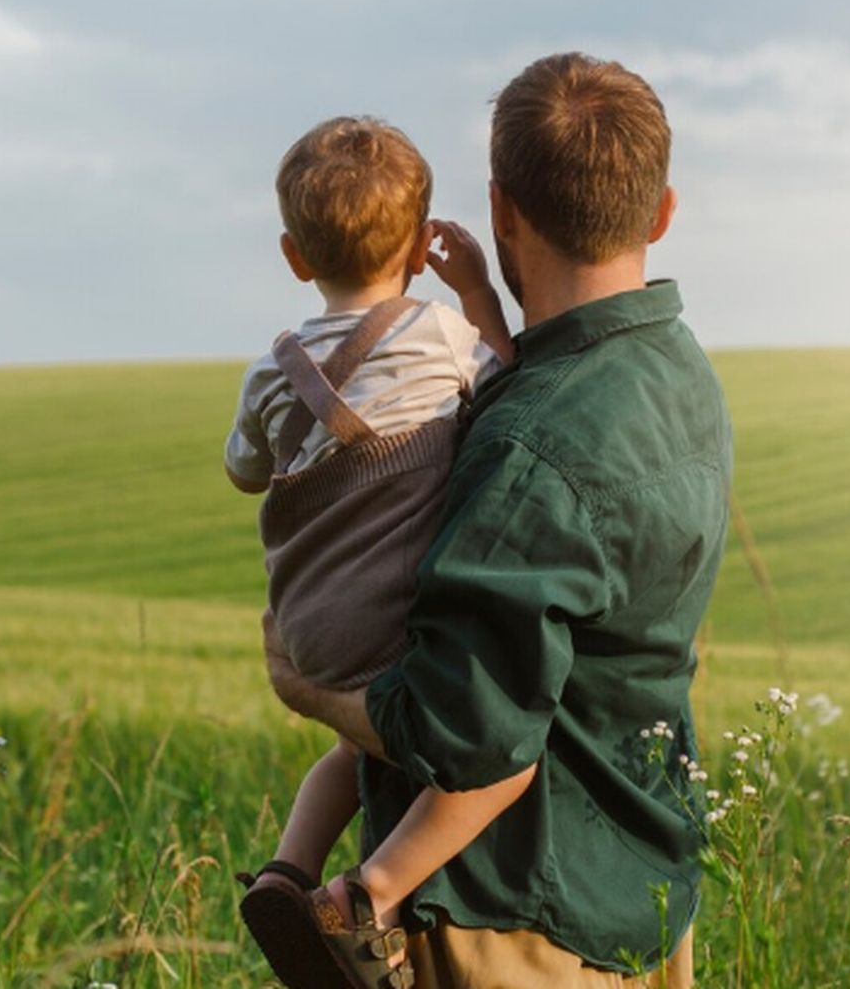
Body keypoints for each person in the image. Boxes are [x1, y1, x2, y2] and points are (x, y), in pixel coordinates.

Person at [264, 53, 732, 988]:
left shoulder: (526, 447)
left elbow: (460, 734)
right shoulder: (679, 374)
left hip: (513, 921)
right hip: (639, 885)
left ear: (501, 211)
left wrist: (309, 691)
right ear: (662, 212)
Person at [224, 115, 537, 988]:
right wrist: (476, 289)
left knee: (353, 752)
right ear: (415, 247)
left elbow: (243, 472)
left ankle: (286, 874)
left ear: (293, 255)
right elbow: (509, 375)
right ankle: (368, 895)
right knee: (498, 762)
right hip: (396, 623)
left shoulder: (270, 370)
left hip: (309, 628)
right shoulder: (437, 334)